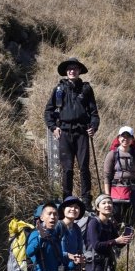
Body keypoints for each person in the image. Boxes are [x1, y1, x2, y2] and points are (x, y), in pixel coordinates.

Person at [44, 57, 100, 209]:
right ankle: (66, 198)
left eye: (75, 68)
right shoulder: (59, 90)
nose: (72, 71)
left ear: (79, 71)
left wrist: (93, 126)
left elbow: (94, 112)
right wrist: (53, 127)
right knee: (67, 168)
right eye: (69, 69)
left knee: (84, 167)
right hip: (65, 133)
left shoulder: (86, 89)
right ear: (66, 72)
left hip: (82, 132)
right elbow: (49, 111)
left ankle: (86, 200)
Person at [103, 126, 135, 227]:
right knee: (116, 217)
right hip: (116, 190)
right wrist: (107, 195)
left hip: (133, 190)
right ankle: (117, 238)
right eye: (123, 136)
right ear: (118, 138)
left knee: (131, 218)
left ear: (132, 139)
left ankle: (129, 239)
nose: (125, 139)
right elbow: (107, 176)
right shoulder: (112, 154)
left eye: (128, 137)